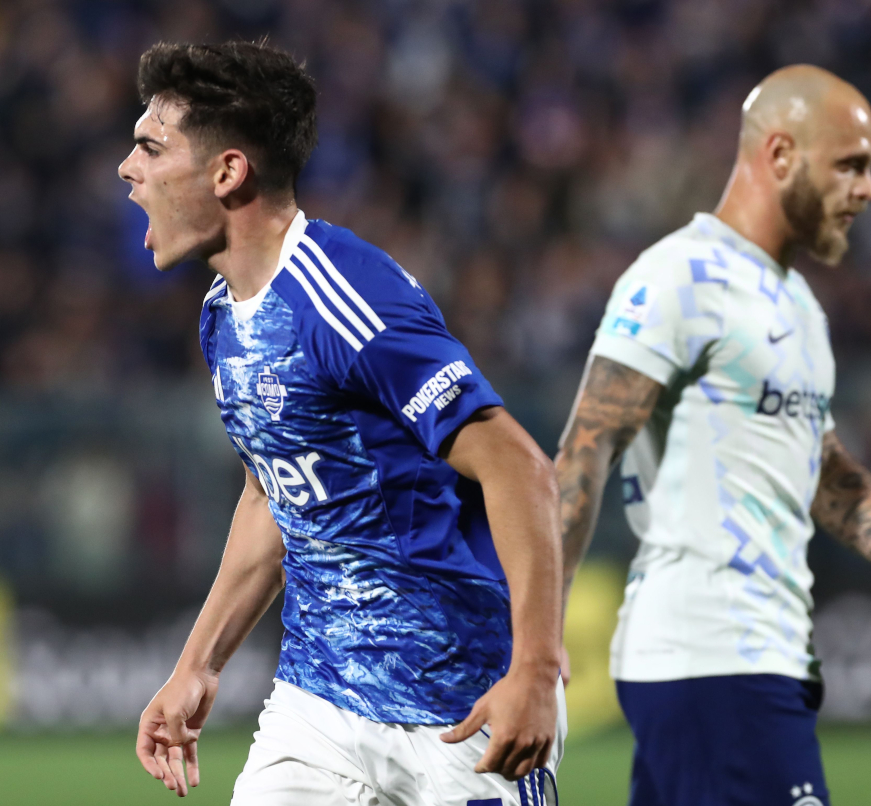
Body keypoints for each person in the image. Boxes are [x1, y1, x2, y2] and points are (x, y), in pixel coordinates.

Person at [118, 41, 565, 805]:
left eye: (151, 148)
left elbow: (518, 467)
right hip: (317, 705)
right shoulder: (223, 317)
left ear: (228, 172)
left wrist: (535, 670)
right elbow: (273, 493)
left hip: (456, 702)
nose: (128, 169)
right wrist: (198, 665)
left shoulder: (345, 298)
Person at [555, 64, 871, 806]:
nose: (869, 189)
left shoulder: (799, 305)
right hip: (711, 653)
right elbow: (584, 449)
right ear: (781, 154)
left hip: (755, 658)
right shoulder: (681, 276)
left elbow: (822, 466)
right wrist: (538, 638)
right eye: (851, 164)